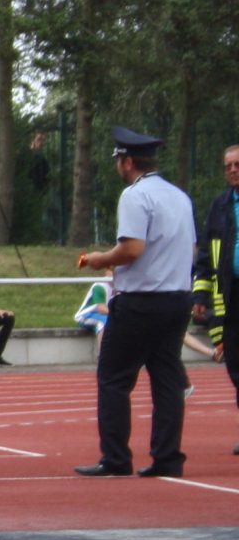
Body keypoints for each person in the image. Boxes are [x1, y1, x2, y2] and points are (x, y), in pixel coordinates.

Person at [74, 126, 197, 478]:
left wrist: (100, 258)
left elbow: (132, 249)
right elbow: (188, 250)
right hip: (177, 298)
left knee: (113, 378)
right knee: (168, 379)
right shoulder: (179, 196)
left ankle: (115, 458)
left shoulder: (134, 196)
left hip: (141, 300)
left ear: (127, 162)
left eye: (118, 159)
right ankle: (167, 457)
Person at [192, 143, 239, 447]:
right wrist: (200, 296)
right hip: (231, 294)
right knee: (234, 362)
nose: (233, 170)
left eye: (237, 164)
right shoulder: (219, 206)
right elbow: (206, 256)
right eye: (228, 166)